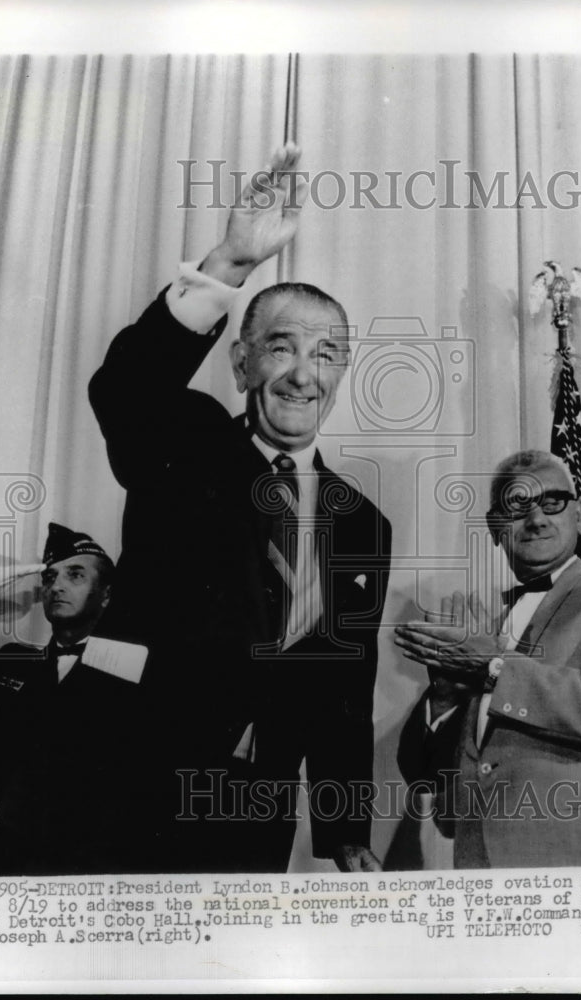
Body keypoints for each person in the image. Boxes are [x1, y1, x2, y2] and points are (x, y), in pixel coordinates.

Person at [89, 143, 392, 873]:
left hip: (255, 804)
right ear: (241, 362)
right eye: (281, 347)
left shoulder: (359, 521)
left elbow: (342, 682)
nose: (302, 374)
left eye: (325, 355)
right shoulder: (185, 443)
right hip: (127, 777)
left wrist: (343, 829)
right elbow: (126, 387)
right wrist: (229, 261)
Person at [395, 450, 581, 869]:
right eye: (518, 505)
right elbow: (428, 779)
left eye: (552, 502)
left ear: (579, 515)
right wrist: (444, 697)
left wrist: (495, 667)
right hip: (479, 865)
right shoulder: (486, 630)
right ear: (495, 526)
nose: (537, 519)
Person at [0, 522, 145, 875]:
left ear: (106, 594)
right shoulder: (17, 665)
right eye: (49, 577)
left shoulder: (140, 668)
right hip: (13, 854)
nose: (56, 585)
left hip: (102, 861)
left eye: (75, 575)